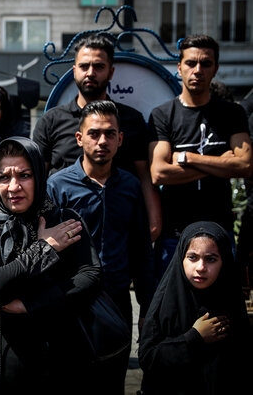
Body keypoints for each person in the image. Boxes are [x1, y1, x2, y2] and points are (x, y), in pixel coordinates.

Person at [0, 137, 101, 394]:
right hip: (1, 365)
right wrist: (45, 248)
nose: (13, 187)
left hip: (62, 358)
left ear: (39, 176)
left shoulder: (64, 220)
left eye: (24, 175)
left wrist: (31, 304)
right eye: (4, 177)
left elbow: (91, 276)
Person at [47, 100, 155, 395]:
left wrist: (147, 306)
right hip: (71, 302)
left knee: (112, 383)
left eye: (109, 134)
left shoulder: (131, 187)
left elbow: (141, 249)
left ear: (120, 139)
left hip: (118, 300)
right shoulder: (57, 187)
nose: (102, 141)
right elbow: (44, 251)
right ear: (80, 138)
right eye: (94, 133)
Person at [33, 34, 161, 241]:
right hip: (65, 237)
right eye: (84, 67)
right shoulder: (51, 120)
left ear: (111, 72)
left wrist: (154, 225)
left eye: (98, 67)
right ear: (74, 71)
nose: (90, 73)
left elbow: (145, 176)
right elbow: (38, 179)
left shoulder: (131, 119)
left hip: (119, 235)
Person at [148, 34, 253, 276]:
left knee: (221, 310)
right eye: (191, 63)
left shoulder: (232, 113)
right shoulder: (163, 115)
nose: (198, 70)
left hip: (220, 231)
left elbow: (245, 166)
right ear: (179, 67)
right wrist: (224, 161)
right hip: (175, 235)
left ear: (215, 68)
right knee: (170, 310)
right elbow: (159, 172)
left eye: (206, 63)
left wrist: (187, 158)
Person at [139, 221, 253, 395]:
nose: (201, 267)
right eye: (192, 257)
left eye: (211, 259)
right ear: (181, 258)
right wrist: (195, 338)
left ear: (224, 262)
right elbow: (149, 358)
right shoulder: (166, 304)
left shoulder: (231, 304)